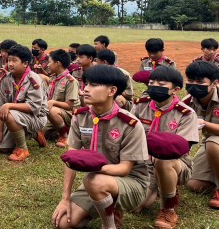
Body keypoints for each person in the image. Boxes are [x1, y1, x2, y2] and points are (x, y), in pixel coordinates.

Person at [52, 65, 149, 229]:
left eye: (94, 85)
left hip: (132, 182)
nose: (86, 89)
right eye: (87, 83)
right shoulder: (80, 117)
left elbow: (125, 169)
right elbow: (71, 158)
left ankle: (108, 225)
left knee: (94, 181)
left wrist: (92, 169)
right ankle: (107, 205)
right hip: (98, 180)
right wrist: (65, 198)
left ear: (112, 91)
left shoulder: (130, 124)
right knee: (63, 223)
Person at [131, 66, 199, 228]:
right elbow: (129, 136)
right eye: (151, 82)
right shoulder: (140, 106)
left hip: (176, 163)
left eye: (161, 84)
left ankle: (168, 208)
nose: (154, 86)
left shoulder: (186, 114)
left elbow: (179, 149)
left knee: (164, 160)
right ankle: (161, 187)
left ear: (175, 89)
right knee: (135, 206)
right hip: (144, 164)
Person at [0, 45, 47, 161]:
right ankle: (33, 134)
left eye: (14, 60)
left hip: (36, 117)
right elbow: (1, 107)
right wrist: (0, 131)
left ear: (25, 63)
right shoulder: (6, 79)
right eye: (9, 60)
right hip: (16, 117)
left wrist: (9, 105)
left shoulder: (34, 79)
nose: (10, 64)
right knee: (1, 147)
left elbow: (34, 107)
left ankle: (23, 149)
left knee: (10, 113)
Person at [184, 61, 219, 209]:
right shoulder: (187, 103)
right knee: (193, 184)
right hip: (211, 143)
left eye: (200, 82)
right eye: (190, 81)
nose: (194, 85)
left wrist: (203, 123)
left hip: (213, 143)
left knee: (212, 143)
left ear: (214, 83)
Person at [41, 49, 80, 148]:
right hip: (54, 113)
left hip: (70, 115)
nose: (48, 65)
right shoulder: (54, 78)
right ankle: (58, 130)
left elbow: (70, 106)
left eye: (49, 62)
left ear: (57, 63)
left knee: (52, 111)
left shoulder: (71, 81)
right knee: (39, 133)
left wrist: (53, 102)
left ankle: (65, 135)